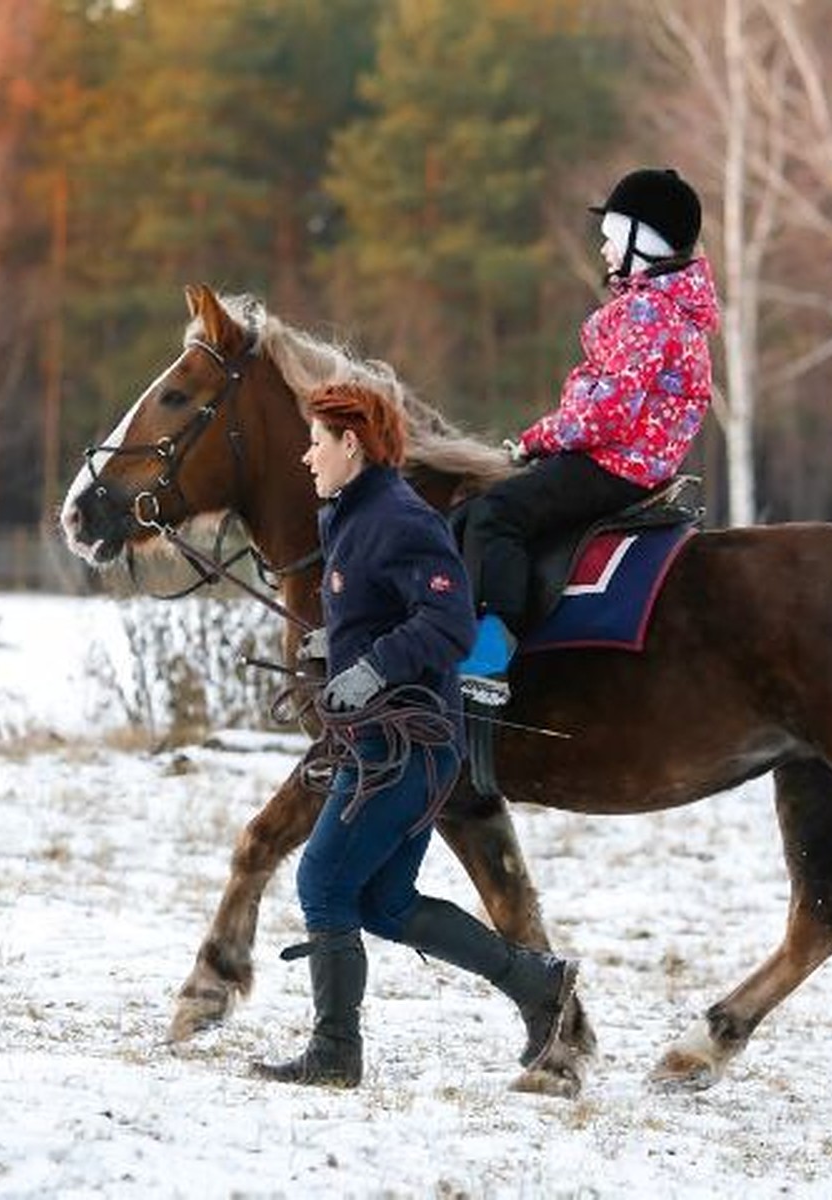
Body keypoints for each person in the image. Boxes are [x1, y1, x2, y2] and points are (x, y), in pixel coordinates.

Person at [253, 381, 579, 1088]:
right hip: (383, 744)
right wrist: (334, 651)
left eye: (316, 443)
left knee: (322, 882)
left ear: (352, 445)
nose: (306, 458)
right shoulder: (350, 517)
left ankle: (336, 1055)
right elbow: (381, 611)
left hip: (407, 746)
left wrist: (370, 670)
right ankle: (537, 983)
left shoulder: (402, 519)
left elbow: (448, 624)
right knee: (382, 902)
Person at [457, 167, 720, 704]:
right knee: (467, 514)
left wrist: (535, 439)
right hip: (629, 462)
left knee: (495, 514)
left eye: (610, 237)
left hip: (613, 464)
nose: (602, 248)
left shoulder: (649, 312)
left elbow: (607, 414)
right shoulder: (667, 312)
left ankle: (490, 652)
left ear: (640, 243)